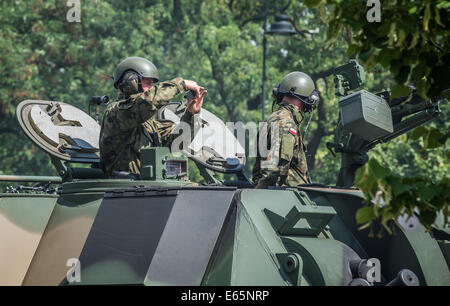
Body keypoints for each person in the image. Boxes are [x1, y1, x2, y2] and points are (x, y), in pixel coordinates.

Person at [99, 56, 206, 177]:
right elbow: (148, 102)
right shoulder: (115, 113)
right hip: (122, 191)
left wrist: (190, 114)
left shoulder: (148, 123)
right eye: (148, 83)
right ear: (131, 82)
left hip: (149, 190)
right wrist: (180, 84)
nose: (152, 88)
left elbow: (177, 143)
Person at [252, 71, 320, 189]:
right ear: (308, 100)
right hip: (285, 197)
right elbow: (276, 168)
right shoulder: (285, 123)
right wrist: (259, 193)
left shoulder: (273, 118)